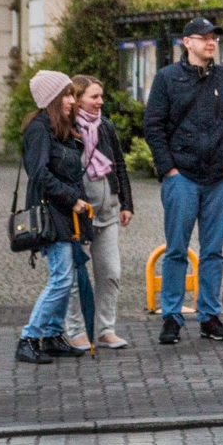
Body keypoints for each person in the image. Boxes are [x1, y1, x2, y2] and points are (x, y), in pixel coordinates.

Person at [143, 16, 223, 345]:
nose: (211, 42)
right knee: (176, 250)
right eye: (203, 37)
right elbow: (153, 126)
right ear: (186, 42)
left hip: (220, 177)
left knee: (213, 251)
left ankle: (209, 316)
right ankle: (172, 317)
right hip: (182, 177)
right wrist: (168, 169)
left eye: (214, 38)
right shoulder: (167, 79)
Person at [15, 71, 91, 365]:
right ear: (52, 100)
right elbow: (40, 174)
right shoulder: (39, 129)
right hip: (52, 213)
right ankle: (29, 338)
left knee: (65, 275)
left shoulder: (59, 128)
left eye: (72, 94)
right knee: (61, 279)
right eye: (67, 95)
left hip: (65, 213)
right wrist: (72, 199)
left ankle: (54, 335)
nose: (73, 101)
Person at [63, 75, 134, 351]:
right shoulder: (65, 129)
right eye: (94, 96)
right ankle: (76, 331)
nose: (100, 101)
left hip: (108, 212)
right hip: (77, 216)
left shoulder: (105, 127)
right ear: (78, 98)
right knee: (74, 276)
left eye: (101, 96)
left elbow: (120, 166)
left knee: (111, 272)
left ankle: (106, 329)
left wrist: (126, 203)